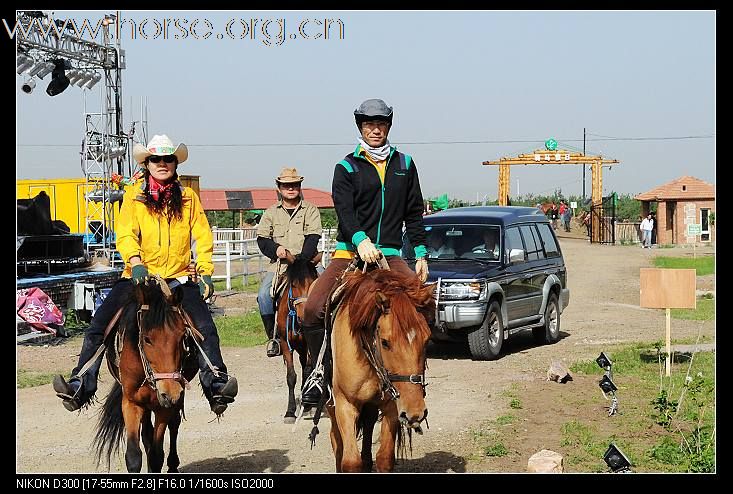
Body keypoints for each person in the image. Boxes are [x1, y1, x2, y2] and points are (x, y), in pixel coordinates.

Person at [53, 135, 238, 415]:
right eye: (156, 159)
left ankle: (216, 385)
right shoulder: (134, 196)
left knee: (206, 329)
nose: (162, 164)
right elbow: (126, 232)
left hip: (178, 279)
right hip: (138, 277)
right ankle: (81, 383)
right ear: (147, 164)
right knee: (99, 325)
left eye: (168, 159)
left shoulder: (188, 198)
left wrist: (205, 273)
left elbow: (203, 236)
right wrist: (136, 261)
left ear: (175, 163)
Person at [300, 98, 429, 406]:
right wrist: (360, 240)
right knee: (313, 307)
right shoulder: (346, 167)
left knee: (423, 305)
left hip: (391, 254)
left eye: (381, 124)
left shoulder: (405, 165)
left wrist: (422, 252)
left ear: (388, 127)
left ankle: (414, 376)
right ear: (361, 127)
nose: (376, 130)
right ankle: (320, 372)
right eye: (369, 125)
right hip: (350, 253)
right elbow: (344, 211)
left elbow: (413, 213)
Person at [256, 167, 322, 357]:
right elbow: (262, 239)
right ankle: (274, 336)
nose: (290, 188)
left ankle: (329, 332)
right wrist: (276, 249)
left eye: (294, 185)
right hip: (280, 266)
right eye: (286, 185)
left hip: (308, 262)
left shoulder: (310, 210)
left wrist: (301, 259)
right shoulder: (270, 212)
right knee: (264, 296)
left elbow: (313, 236)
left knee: (329, 289)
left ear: (300, 186)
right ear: (279, 187)